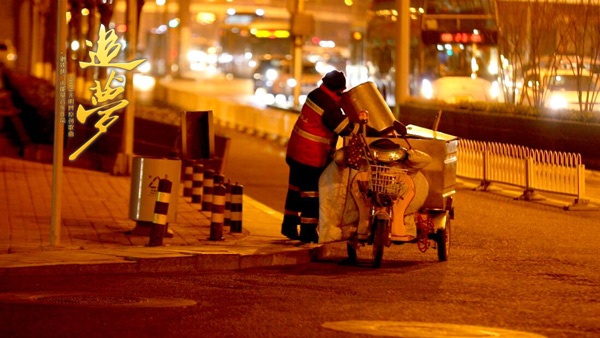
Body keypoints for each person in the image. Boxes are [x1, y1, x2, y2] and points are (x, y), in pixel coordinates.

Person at [281, 70, 361, 243]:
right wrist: (361, 123)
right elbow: (344, 129)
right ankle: (308, 232)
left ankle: (288, 226)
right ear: (339, 89)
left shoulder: (315, 94)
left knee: (295, 190)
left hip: (295, 151)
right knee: (311, 195)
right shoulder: (329, 106)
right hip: (310, 156)